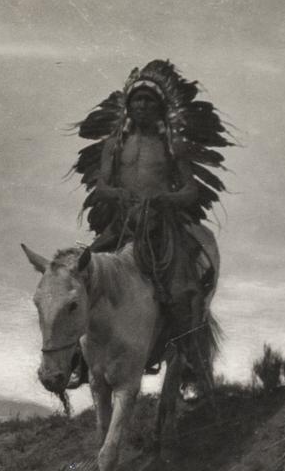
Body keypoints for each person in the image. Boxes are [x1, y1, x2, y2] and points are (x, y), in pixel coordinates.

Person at [70, 59, 230, 378]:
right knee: (81, 277)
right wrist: (116, 194)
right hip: (121, 223)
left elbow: (190, 191)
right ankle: (78, 359)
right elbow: (102, 185)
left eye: (149, 100)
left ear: (159, 107)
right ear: (129, 105)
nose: (142, 105)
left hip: (161, 225)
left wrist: (164, 198)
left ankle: (188, 357)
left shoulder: (173, 146)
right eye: (137, 99)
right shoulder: (114, 146)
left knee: (184, 290)